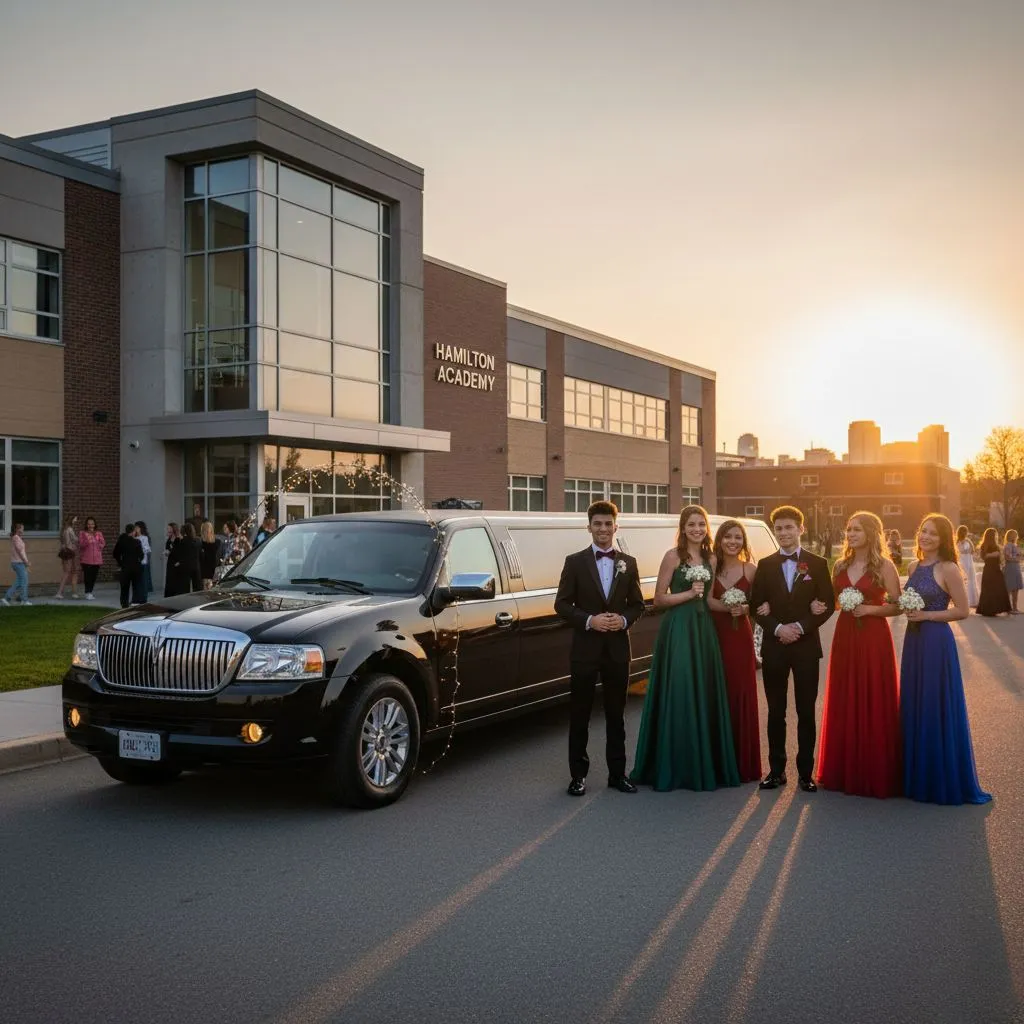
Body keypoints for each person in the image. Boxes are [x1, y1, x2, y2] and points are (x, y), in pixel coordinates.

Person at [633, 505, 740, 792]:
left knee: (702, 689)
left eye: (701, 525)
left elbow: (707, 601)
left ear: (707, 528)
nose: (697, 529)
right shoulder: (672, 556)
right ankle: (672, 763)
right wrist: (688, 594)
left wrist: (734, 608)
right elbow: (657, 599)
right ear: (682, 528)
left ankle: (701, 762)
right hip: (679, 628)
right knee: (680, 689)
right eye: (691, 524)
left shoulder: (711, 557)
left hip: (703, 628)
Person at [554, 500, 645, 797]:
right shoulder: (574, 561)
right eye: (598, 524)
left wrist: (623, 619)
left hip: (618, 650)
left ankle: (617, 774)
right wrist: (590, 620)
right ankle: (577, 776)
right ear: (589, 527)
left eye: (608, 524)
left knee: (616, 715)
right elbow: (562, 604)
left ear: (616, 526)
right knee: (579, 714)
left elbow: (638, 605)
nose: (603, 529)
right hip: (585, 650)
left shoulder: (628, 563)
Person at [900, 514, 991, 804]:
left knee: (933, 703)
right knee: (915, 702)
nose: (925, 537)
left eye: (933, 534)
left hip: (936, 641)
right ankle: (915, 776)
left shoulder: (948, 567)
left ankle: (938, 778)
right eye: (923, 531)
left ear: (943, 539)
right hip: (913, 642)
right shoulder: (913, 566)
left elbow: (963, 610)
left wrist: (926, 614)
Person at [817, 512, 902, 798]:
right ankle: (842, 769)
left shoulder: (884, 566)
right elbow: (834, 602)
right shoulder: (840, 565)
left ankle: (873, 769)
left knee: (872, 695)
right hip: (845, 636)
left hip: (873, 637)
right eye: (848, 530)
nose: (850, 534)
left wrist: (870, 610)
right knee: (846, 694)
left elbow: (898, 606)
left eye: (857, 529)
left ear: (870, 532)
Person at [750, 505, 835, 793]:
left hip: (806, 648)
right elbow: (756, 606)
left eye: (789, 527)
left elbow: (827, 605)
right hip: (775, 647)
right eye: (779, 528)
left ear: (801, 529)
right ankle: (776, 771)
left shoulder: (818, 564)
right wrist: (776, 628)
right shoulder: (765, 564)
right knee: (776, 711)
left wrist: (799, 627)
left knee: (805, 711)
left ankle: (805, 773)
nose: (784, 533)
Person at [706, 519, 761, 782]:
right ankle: (715, 760)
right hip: (713, 634)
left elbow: (761, 603)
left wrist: (746, 609)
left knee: (739, 690)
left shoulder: (750, 569)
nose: (733, 541)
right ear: (719, 539)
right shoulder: (711, 565)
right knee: (715, 691)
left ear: (743, 541)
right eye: (728, 536)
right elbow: (705, 600)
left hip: (740, 637)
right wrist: (727, 607)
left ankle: (742, 762)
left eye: (738, 537)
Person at [976, 527, 1011, 617]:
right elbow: (984, 557)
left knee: (999, 588)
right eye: (994, 534)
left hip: (996, 569)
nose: (996, 536)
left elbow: (1000, 557)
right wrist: (993, 554)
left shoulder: (996, 545)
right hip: (989, 569)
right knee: (988, 589)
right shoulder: (984, 545)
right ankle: (987, 610)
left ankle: (998, 608)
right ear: (991, 535)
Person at [164, 522, 202, 597]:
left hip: (184, 567)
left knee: (184, 588)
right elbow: (199, 554)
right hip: (196, 566)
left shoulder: (183, 541)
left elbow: (182, 553)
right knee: (197, 587)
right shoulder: (197, 540)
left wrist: (180, 562)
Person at [112, 523, 145, 609]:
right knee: (136, 586)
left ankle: (124, 605)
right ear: (133, 531)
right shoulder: (137, 542)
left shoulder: (121, 541)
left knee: (124, 588)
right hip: (136, 567)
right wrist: (138, 560)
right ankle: (135, 602)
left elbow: (115, 553)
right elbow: (141, 555)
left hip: (125, 566)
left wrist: (120, 562)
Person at [2, 523, 32, 606]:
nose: (23, 530)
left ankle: (6, 598)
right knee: (24, 581)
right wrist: (26, 562)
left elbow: (22, 552)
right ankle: (24, 600)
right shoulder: (16, 538)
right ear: (17, 529)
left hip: (20, 562)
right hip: (18, 563)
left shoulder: (18, 538)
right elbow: (19, 552)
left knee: (19, 582)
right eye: (22, 528)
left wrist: (26, 562)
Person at [78, 517, 105, 601]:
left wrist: (99, 546)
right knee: (88, 577)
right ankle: (87, 592)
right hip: (86, 559)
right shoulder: (82, 533)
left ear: (94, 524)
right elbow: (81, 545)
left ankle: (90, 592)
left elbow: (103, 543)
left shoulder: (98, 533)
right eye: (89, 524)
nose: (90, 525)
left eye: (92, 523)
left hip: (97, 559)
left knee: (93, 577)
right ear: (86, 524)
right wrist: (87, 541)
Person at [55, 514, 80, 599]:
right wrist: (80, 538)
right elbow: (75, 539)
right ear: (72, 520)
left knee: (70, 572)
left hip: (64, 552)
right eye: (75, 519)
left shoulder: (63, 530)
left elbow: (63, 542)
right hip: (70, 552)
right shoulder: (70, 529)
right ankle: (61, 592)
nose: (76, 521)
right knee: (70, 572)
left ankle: (73, 592)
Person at [956, 525, 979, 608]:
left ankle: (973, 600)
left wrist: (968, 551)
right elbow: (958, 551)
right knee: (963, 579)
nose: (966, 533)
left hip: (969, 560)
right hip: (962, 561)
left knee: (971, 579)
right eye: (965, 531)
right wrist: (964, 550)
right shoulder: (957, 541)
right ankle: (964, 601)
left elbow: (972, 550)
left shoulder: (968, 541)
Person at [1002, 529, 1022, 614]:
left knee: (1016, 588)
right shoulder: (1008, 545)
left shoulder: (1014, 545)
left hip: (1016, 568)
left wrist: (1018, 558)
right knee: (1010, 587)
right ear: (1012, 536)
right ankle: (1008, 608)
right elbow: (1007, 558)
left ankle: (1014, 608)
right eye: (1016, 535)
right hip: (1011, 568)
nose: (1017, 536)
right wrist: (1017, 559)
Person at [199, 520, 220, 589]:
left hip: (203, 571)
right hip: (214, 570)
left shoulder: (200, 543)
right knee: (212, 593)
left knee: (204, 592)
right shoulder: (217, 542)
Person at [135, 521, 152, 602]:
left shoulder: (144, 538)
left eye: (137, 528)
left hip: (143, 562)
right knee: (136, 582)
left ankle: (144, 598)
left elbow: (148, 549)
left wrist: (140, 547)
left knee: (143, 581)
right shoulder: (134, 538)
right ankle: (136, 598)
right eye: (135, 528)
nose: (136, 529)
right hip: (135, 563)